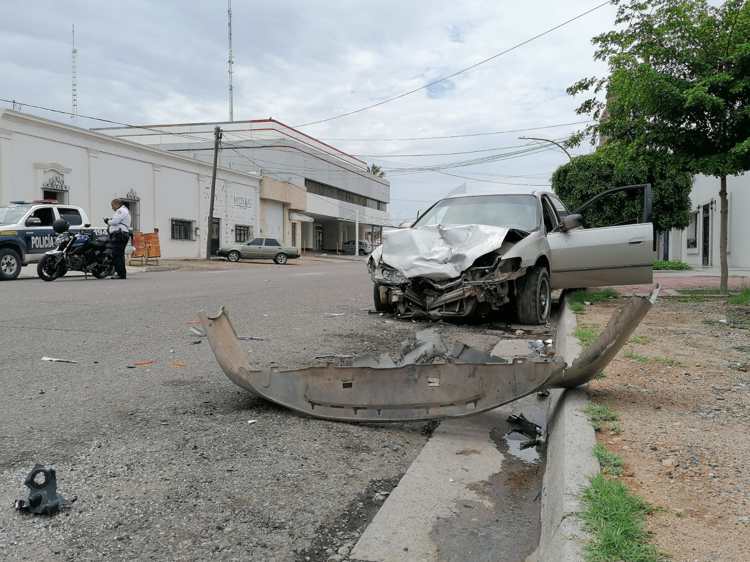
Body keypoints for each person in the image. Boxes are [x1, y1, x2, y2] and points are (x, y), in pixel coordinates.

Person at [104, 198, 131, 279]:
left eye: (112, 206)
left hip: (119, 235)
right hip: (121, 234)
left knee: (117, 255)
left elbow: (115, 221)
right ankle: (121, 273)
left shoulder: (121, 211)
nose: (112, 208)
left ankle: (120, 274)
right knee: (119, 254)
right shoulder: (124, 211)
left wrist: (107, 221)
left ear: (117, 204)